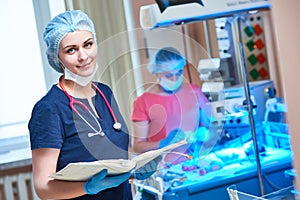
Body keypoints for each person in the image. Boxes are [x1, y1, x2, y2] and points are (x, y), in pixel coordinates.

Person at [28, 10, 160, 200]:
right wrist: (88, 187)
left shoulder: (104, 93)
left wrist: (133, 171)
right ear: (57, 58)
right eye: (71, 50)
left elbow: (113, 159)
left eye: (88, 45)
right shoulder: (49, 110)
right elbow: (42, 187)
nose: (83, 56)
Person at [131, 47, 216, 163]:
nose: (175, 78)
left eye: (179, 73)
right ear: (157, 73)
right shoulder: (143, 102)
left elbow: (211, 125)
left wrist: (206, 133)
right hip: (164, 167)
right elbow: (137, 146)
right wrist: (164, 143)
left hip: (197, 161)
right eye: (168, 75)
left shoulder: (194, 92)